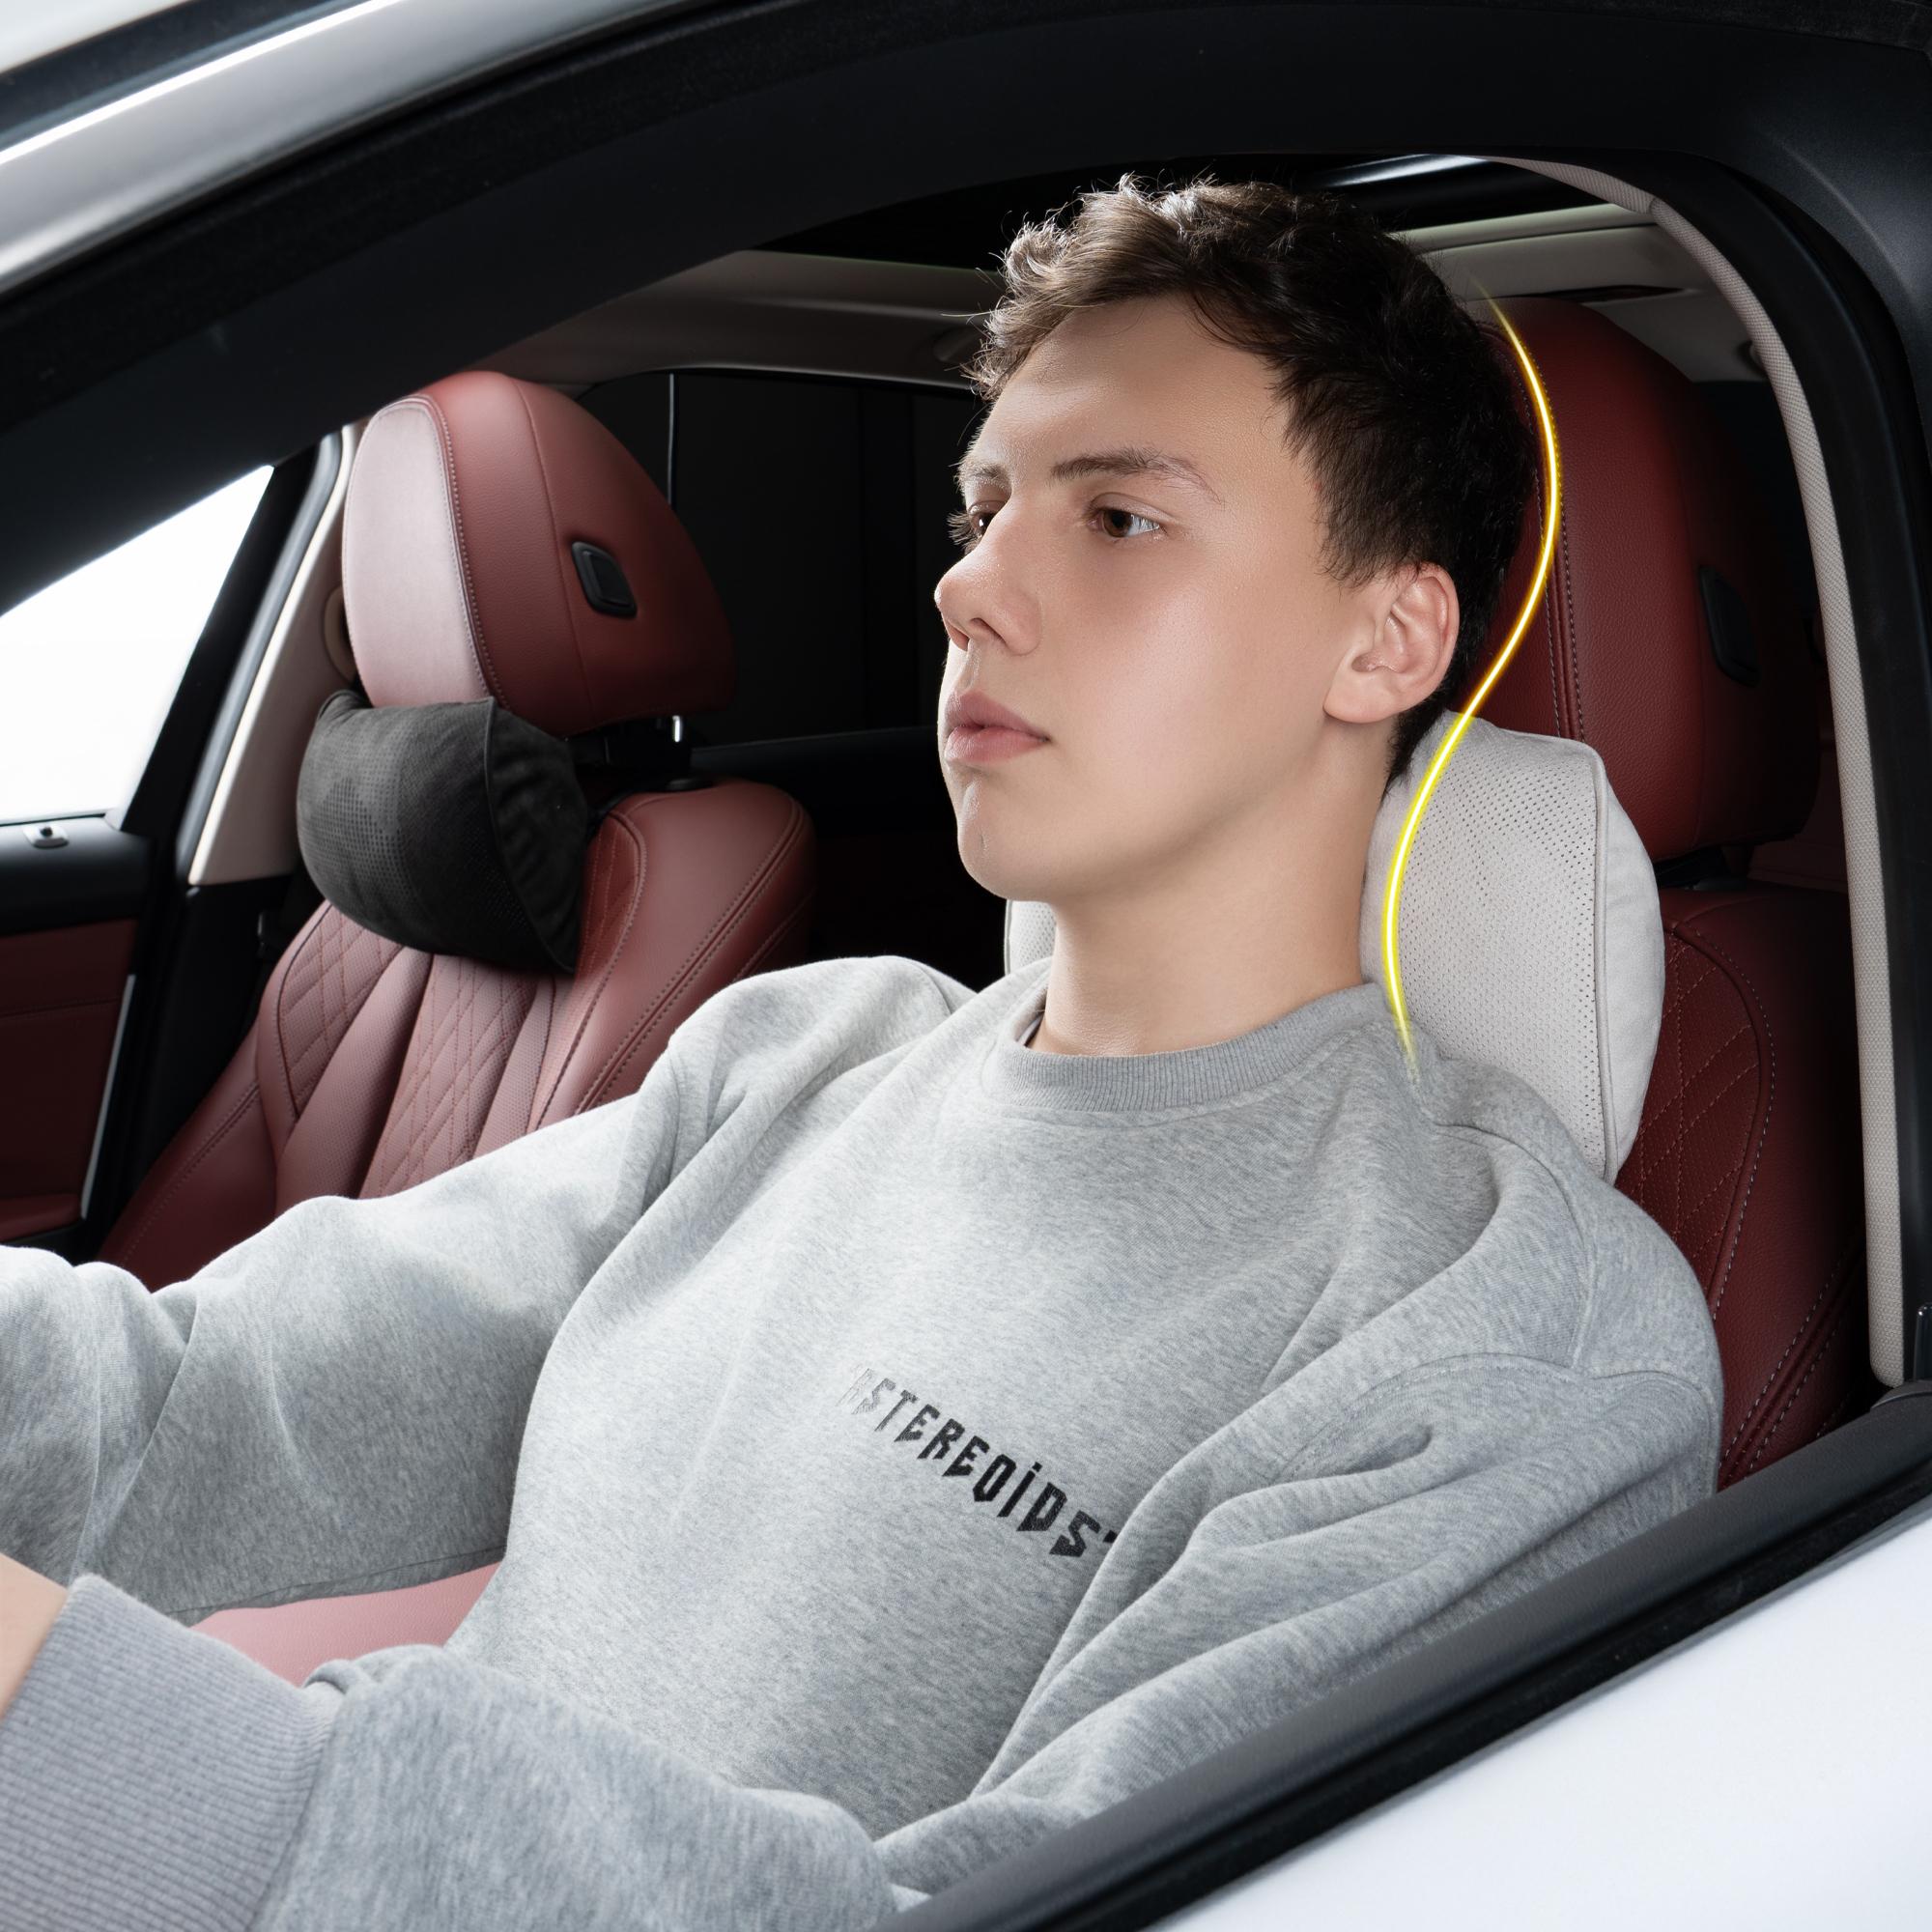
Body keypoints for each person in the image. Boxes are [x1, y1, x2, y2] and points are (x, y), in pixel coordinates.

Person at [0, 173, 1721, 1931]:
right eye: (984, 509)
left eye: (1119, 516)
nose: (971, 585)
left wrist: (92, 1745)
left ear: (1387, 639)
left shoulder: (1501, 1327)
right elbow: (212, 1398)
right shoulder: (800, 1054)